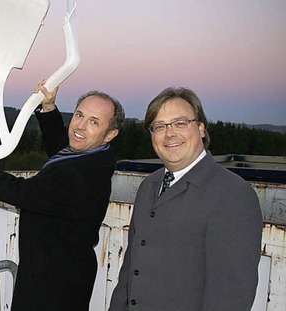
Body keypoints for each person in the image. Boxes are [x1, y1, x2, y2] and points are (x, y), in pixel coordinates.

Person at [0, 81, 124, 311]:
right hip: (61, 270)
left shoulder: (79, 175)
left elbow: (19, 192)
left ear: (110, 134)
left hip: (53, 284)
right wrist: (49, 107)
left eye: (94, 122)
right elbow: (60, 148)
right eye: (79, 115)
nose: (80, 126)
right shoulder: (95, 156)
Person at [108, 87, 263, 310]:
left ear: (201, 128)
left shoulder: (232, 195)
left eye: (180, 123)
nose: (169, 134)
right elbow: (130, 271)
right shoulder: (148, 186)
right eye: (159, 126)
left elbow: (230, 298)